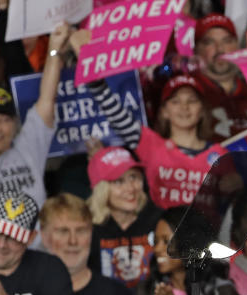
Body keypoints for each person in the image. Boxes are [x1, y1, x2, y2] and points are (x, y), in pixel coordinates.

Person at [0, 23, 70, 246]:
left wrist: (54, 48)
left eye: (5, 120)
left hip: (40, 259)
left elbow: (47, 99)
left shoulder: (27, 147)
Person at [78, 57, 229, 210]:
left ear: (202, 110)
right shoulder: (150, 143)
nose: (184, 107)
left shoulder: (220, 153)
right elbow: (115, 114)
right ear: (164, 111)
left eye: (192, 101)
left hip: (205, 231)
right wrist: (95, 78)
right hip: (159, 230)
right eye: (175, 101)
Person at [86, 147, 162, 288]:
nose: (130, 188)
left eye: (134, 177)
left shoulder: (158, 220)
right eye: (119, 182)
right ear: (101, 189)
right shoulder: (86, 229)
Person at [191, 13, 247, 139]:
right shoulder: (188, 98)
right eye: (209, 42)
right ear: (196, 49)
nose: (220, 49)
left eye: (227, 41)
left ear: (238, 46)